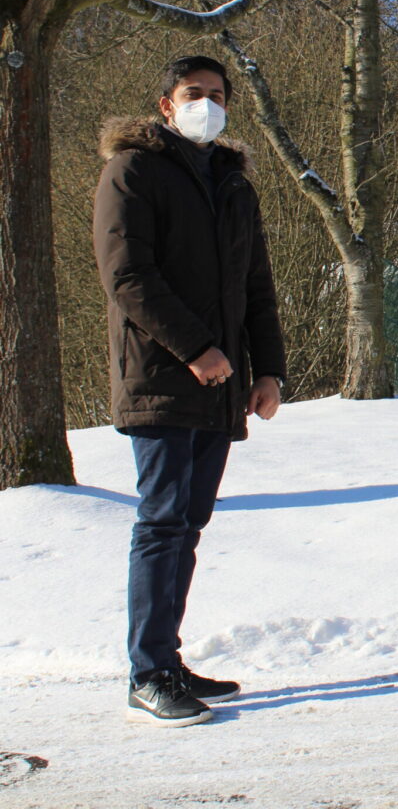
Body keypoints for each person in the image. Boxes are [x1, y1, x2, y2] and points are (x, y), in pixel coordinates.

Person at [93, 56, 287, 725]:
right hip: (161, 377)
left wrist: (268, 370)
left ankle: (169, 662)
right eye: (193, 94)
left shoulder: (233, 181)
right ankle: (146, 673)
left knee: (189, 525)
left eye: (216, 95)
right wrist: (195, 349)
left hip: (223, 383)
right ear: (165, 104)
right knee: (162, 522)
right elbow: (128, 277)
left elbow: (254, 285)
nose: (206, 103)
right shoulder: (133, 171)